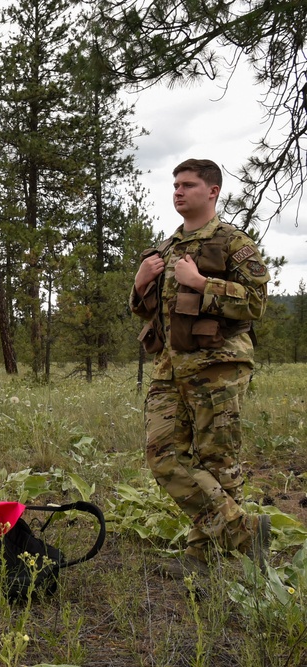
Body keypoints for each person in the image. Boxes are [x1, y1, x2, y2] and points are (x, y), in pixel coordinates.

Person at [130, 158, 271, 577]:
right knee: (163, 455)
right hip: (170, 368)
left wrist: (201, 283)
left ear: (212, 191)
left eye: (188, 185)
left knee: (216, 460)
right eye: (175, 184)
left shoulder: (232, 242)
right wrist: (139, 284)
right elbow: (150, 313)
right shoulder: (168, 248)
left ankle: (202, 559)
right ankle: (244, 533)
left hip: (218, 367)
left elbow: (256, 302)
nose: (178, 191)